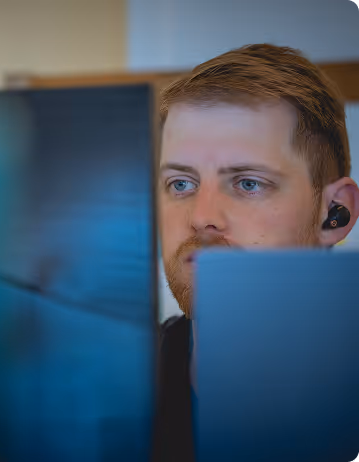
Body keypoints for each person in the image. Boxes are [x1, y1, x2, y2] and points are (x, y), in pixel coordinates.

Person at [153, 43, 359, 462]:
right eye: (181, 184)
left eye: (248, 183)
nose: (202, 217)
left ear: (335, 214)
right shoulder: (108, 388)